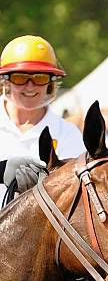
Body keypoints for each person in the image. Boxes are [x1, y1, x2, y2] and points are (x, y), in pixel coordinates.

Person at [0, 35, 84, 199]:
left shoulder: (67, 134)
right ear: (6, 81)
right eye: (20, 78)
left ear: (50, 83)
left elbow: (75, 193)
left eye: (40, 78)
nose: (30, 86)